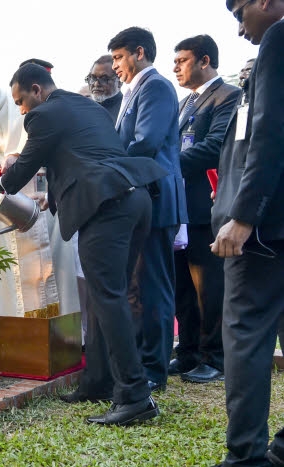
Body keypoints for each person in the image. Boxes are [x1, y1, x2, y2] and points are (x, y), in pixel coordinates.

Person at [0, 63, 168, 425]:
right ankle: (98, 381)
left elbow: (24, 168)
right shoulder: (84, 106)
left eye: (21, 101)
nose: (21, 110)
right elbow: (82, 156)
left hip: (107, 209)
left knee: (109, 298)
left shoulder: (42, 115)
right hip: (135, 200)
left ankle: (134, 396)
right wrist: (54, 197)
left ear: (36, 90)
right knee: (105, 296)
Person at [211, 2, 284, 465]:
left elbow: (269, 131)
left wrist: (242, 215)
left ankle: (246, 458)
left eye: (240, 13)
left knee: (244, 333)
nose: (239, 29)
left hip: (265, 227)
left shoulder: (278, 36)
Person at [0, 70, 78, 318]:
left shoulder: (20, 104)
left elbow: (41, 144)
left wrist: (16, 160)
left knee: (52, 263)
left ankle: (61, 330)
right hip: (0, 201)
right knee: (6, 268)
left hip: (37, 194)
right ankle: (12, 325)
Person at [110, 26, 188, 392]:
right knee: (139, 285)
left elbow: (146, 142)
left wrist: (106, 167)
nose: (114, 66)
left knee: (154, 286)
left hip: (155, 197)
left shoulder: (155, 86)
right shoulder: (134, 90)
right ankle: (144, 360)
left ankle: (156, 367)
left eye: (118, 57)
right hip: (139, 199)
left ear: (138, 53)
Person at [169, 34, 241, 384]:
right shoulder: (186, 103)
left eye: (182, 60)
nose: (175, 67)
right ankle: (188, 352)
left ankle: (215, 357)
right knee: (183, 285)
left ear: (205, 61)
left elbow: (216, 147)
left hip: (207, 206)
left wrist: (167, 165)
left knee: (209, 287)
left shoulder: (228, 96)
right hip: (182, 209)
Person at [85, 54, 123, 121]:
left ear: (119, 82)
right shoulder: (83, 108)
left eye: (104, 79)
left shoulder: (127, 110)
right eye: (92, 78)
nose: (96, 84)